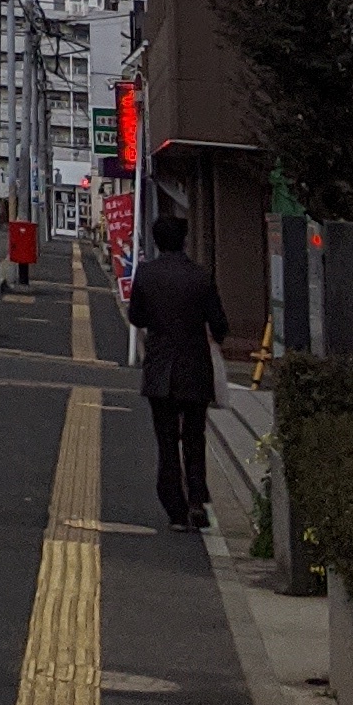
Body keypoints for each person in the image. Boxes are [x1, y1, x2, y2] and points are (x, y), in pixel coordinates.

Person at [130, 202, 229, 530]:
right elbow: (219, 323)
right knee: (195, 437)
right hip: (195, 368)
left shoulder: (146, 274)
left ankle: (175, 508)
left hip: (160, 369)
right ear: (184, 242)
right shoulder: (201, 276)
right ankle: (197, 500)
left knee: (167, 440)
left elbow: (136, 317)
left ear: (157, 242)